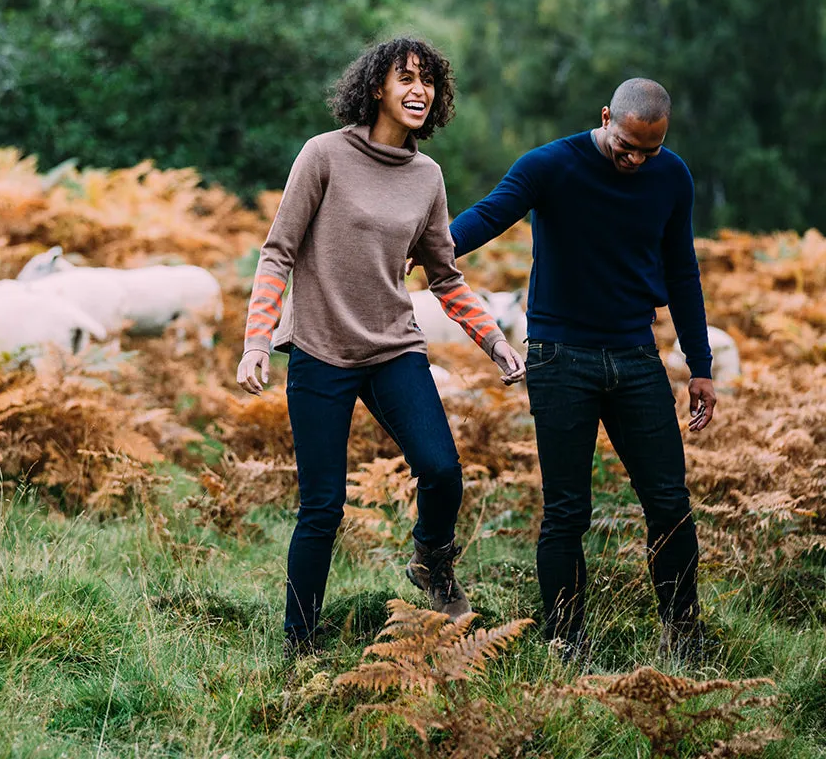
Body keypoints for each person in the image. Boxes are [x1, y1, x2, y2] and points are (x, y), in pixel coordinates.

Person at [236, 36, 526, 655]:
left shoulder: (427, 177)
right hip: (319, 349)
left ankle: (430, 561)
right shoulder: (323, 156)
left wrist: (495, 343)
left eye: (428, 81)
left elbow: (444, 276)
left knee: (443, 470)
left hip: (394, 347)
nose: (419, 90)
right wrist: (257, 341)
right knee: (323, 507)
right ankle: (300, 646)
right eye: (406, 79)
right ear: (377, 88)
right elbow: (277, 252)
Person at [444, 78, 716, 662]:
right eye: (627, 144)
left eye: (651, 148)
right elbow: (489, 215)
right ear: (605, 118)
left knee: (669, 502)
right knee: (569, 510)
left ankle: (684, 637)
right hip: (559, 357)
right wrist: (419, 249)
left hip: (637, 357)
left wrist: (701, 365)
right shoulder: (550, 165)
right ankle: (567, 641)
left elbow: (682, 271)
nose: (636, 159)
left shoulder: (672, 177)